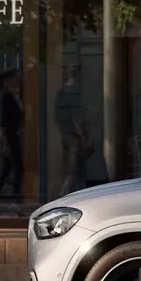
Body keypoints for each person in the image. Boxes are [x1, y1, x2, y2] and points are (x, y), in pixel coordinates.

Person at [55, 65, 90, 196]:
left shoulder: (61, 91)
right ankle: (65, 194)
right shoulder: (73, 92)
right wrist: (84, 138)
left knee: (70, 167)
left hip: (65, 133)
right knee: (74, 168)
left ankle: (65, 192)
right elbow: (76, 117)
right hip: (74, 136)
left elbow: (57, 116)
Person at [0, 69, 24, 205]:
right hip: (10, 136)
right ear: (7, 81)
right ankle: (16, 197)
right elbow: (3, 123)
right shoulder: (6, 98)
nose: (18, 81)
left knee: (7, 168)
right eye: (15, 78)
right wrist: (5, 143)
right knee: (18, 168)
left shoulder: (16, 96)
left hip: (15, 135)